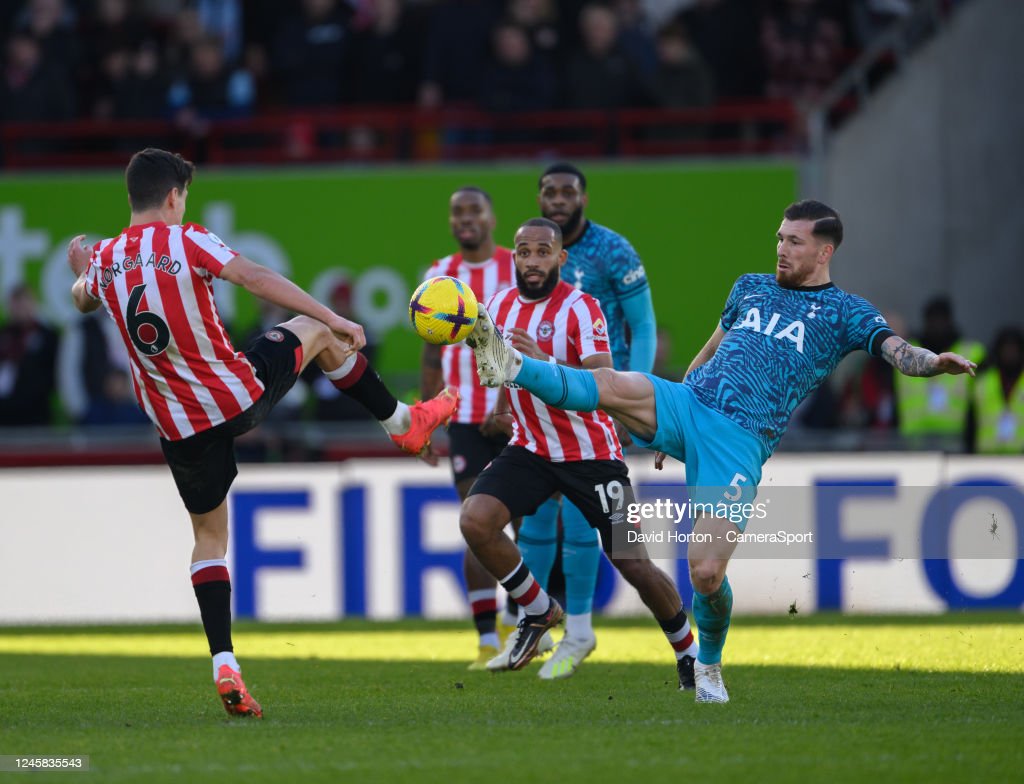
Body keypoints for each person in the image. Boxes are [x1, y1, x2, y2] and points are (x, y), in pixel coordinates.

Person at [467, 200, 978, 702]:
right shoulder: (750, 286)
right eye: (779, 237)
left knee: (706, 574)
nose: (780, 248)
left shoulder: (847, 312)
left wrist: (933, 362)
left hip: (739, 440)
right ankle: (513, 365)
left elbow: (897, 351)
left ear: (824, 252)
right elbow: (712, 349)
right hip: (688, 404)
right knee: (608, 383)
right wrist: (672, 427)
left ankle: (706, 664)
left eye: (793, 242)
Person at [66, 148, 458, 718]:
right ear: (174, 197)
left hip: (177, 425)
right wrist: (337, 316)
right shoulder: (187, 240)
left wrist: (82, 267)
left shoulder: (103, 261)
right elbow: (253, 277)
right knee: (317, 331)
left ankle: (225, 665)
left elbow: (81, 298)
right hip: (234, 395)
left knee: (207, 537)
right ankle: (402, 421)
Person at [460, 217, 700, 688]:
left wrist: (540, 362)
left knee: (633, 562)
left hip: (592, 454)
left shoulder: (581, 307)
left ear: (560, 258)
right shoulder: (496, 307)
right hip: (531, 447)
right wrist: (503, 406)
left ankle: (689, 652)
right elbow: (497, 365)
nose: (532, 261)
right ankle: (538, 609)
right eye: (524, 251)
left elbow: (602, 381)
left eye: (543, 252)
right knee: (475, 520)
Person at [507, 162, 657, 679]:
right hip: (539, 399)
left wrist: (626, 401)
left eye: (568, 191)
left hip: (595, 396)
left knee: (581, 518)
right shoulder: (529, 256)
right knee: (536, 516)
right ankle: (533, 624)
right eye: (549, 191)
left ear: (584, 198)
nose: (558, 199)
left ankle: (579, 630)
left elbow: (642, 325)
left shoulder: (614, 251)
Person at [420, 186, 523, 670]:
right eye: (456, 210)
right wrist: (425, 419)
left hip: (517, 416)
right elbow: (430, 350)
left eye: (473, 210)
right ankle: (486, 636)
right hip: (462, 419)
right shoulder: (440, 274)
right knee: (476, 524)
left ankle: (518, 618)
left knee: (526, 524)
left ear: (491, 217)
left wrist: (508, 402)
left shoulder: (516, 267)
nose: (465, 218)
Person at [973, 326, 1024, 454]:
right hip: (987, 455)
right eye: (1006, 348)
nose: (1010, 353)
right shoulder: (982, 381)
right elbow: (971, 422)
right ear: (998, 351)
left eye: (1014, 348)